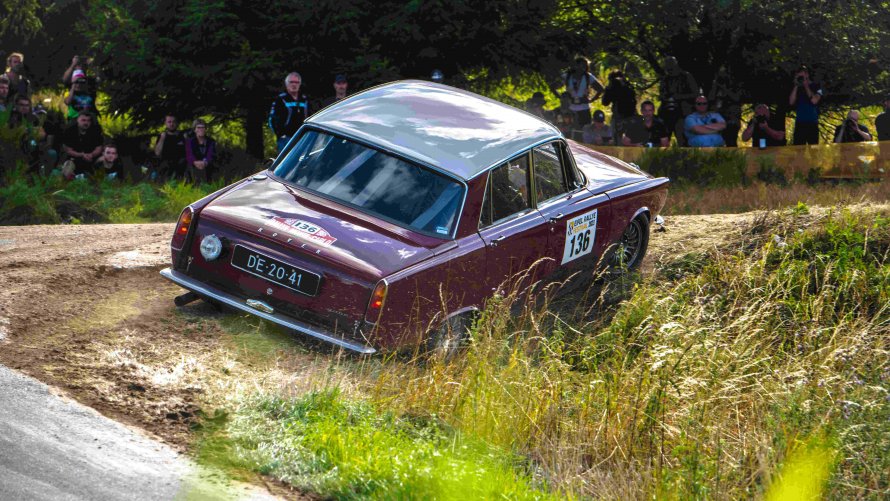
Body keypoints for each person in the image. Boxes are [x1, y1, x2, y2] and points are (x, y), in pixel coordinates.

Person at [658, 56, 699, 146]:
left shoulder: (686, 76)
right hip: (667, 112)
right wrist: (665, 97)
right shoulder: (665, 79)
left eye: (671, 67)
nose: (669, 70)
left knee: (683, 139)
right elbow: (662, 94)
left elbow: (695, 94)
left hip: (682, 112)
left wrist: (679, 97)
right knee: (663, 139)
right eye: (668, 68)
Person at [268, 72, 309, 152]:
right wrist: (280, 134)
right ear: (286, 84)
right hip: (286, 139)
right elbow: (272, 119)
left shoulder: (304, 99)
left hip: (302, 137)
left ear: (300, 84)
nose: (294, 85)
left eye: (296, 82)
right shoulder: (281, 99)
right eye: (291, 82)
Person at [8, 95, 47, 173]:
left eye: (27, 105)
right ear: (16, 105)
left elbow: (42, 133)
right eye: (21, 105)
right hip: (14, 144)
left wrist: (33, 132)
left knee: (35, 146)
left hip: (32, 143)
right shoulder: (11, 116)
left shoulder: (33, 118)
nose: (24, 107)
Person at [62, 112, 104, 179]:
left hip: (92, 158)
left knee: (104, 160)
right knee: (68, 165)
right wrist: (82, 155)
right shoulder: (70, 131)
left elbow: (99, 148)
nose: (86, 123)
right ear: (78, 120)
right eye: (83, 120)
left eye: (88, 120)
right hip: (75, 158)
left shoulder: (96, 130)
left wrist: (91, 155)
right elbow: (68, 150)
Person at [788, 65, 823, 145]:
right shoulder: (797, 88)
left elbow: (814, 101)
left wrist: (806, 86)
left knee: (813, 151)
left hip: (812, 123)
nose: (801, 78)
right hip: (800, 123)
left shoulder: (816, 86)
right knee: (798, 152)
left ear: (807, 74)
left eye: (802, 75)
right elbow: (791, 102)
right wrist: (796, 85)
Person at [565, 57, 604, 128]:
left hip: (584, 110)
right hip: (570, 110)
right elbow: (553, 86)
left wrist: (591, 100)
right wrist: (563, 98)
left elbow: (601, 89)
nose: (582, 68)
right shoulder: (567, 76)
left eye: (584, 66)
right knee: (571, 132)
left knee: (584, 132)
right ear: (575, 66)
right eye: (580, 65)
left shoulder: (588, 77)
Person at [601, 70, 637, 145]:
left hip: (619, 118)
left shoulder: (614, 86)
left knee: (617, 140)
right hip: (631, 116)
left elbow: (605, 102)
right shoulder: (628, 85)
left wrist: (608, 88)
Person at [709, 66, 742, 147]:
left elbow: (737, 98)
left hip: (731, 119)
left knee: (731, 142)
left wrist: (724, 88)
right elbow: (710, 98)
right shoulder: (715, 87)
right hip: (718, 119)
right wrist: (715, 85)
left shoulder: (735, 86)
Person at [153, 113, 187, 180]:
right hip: (166, 165)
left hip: (181, 165)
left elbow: (189, 153)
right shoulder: (162, 136)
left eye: (174, 122)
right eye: (169, 122)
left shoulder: (183, 136)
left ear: (177, 123)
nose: (171, 124)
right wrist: (162, 138)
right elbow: (157, 153)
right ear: (165, 123)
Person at [185, 119, 217, 183]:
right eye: (198, 128)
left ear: (205, 129)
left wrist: (205, 162)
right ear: (195, 130)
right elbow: (189, 154)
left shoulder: (211, 141)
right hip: (194, 163)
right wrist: (195, 162)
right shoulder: (190, 141)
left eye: (203, 127)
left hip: (206, 163)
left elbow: (211, 154)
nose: (201, 129)